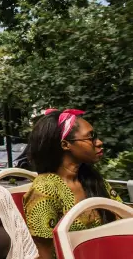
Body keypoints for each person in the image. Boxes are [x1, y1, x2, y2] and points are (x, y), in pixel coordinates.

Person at [23, 109, 122, 259]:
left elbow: (123, 216)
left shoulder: (92, 180)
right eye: (91, 137)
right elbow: (44, 253)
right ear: (65, 144)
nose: (99, 142)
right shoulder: (45, 190)